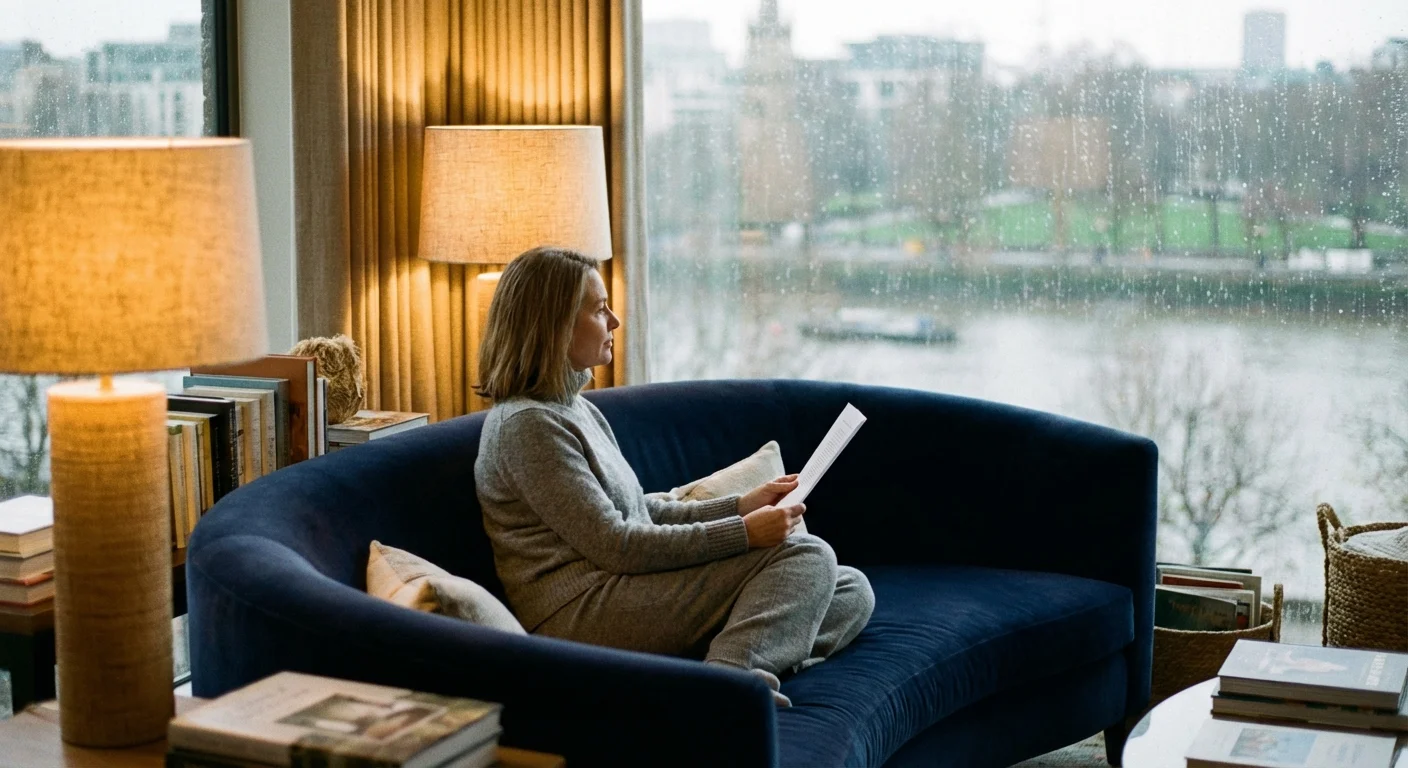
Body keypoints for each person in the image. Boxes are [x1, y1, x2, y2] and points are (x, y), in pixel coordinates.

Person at [473, 246, 874, 706]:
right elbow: (618, 545)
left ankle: (728, 654)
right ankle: (725, 687)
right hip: (581, 614)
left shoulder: (574, 408)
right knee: (807, 558)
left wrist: (741, 505)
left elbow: (638, 511)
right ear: (555, 324)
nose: (615, 321)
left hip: (623, 589)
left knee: (850, 590)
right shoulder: (527, 427)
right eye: (600, 309)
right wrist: (744, 534)